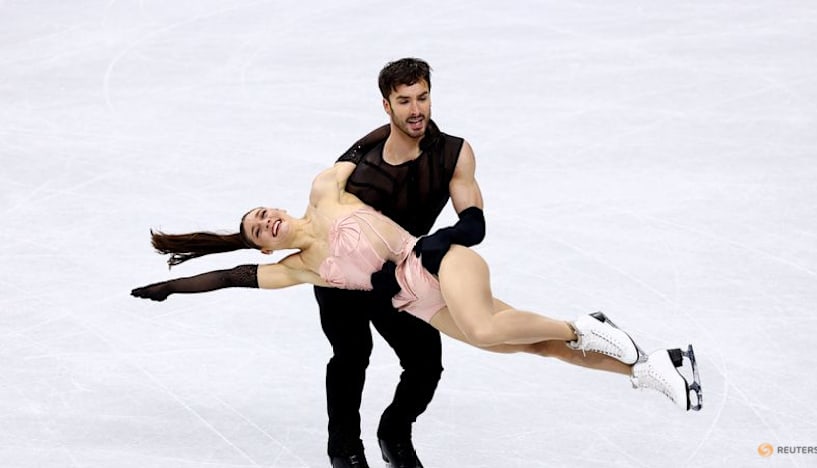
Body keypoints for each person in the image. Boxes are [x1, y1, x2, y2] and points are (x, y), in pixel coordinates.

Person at [130, 163, 704, 427]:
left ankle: (583, 324)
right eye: (257, 231)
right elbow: (230, 277)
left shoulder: (325, 192)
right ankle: (653, 367)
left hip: (440, 261)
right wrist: (172, 287)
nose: (267, 223)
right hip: (423, 305)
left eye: (264, 214)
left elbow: (382, 144)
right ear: (261, 246)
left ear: (277, 207)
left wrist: (412, 116)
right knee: (528, 346)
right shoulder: (301, 270)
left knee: (484, 330)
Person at [315, 58, 484, 468]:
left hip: (400, 277)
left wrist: (436, 241)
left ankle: (394, 433)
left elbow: (474, 224)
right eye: (404, 101)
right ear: (386, 105)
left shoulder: (454, 153)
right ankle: (345, 450)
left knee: (426, 363)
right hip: (343, 276)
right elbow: (323, 212)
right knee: (352, 355)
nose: (416, 109)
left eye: (422, 98)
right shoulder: (360, 163)